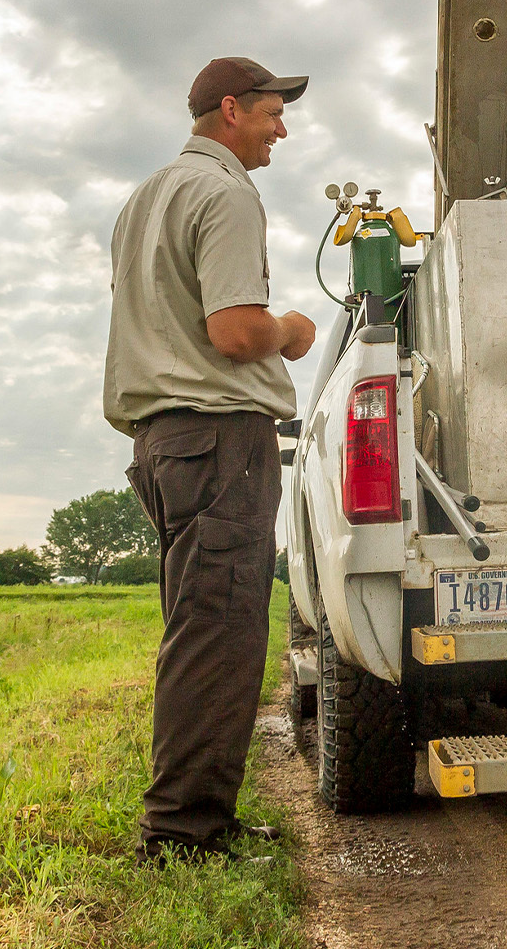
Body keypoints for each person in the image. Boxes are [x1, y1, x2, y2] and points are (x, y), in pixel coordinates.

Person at [104, 56, 316, 862]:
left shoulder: (146, 197)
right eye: (271, 112)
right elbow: (234, 331)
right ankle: (183, 834)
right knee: (220, 632)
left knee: (197, 628)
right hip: (219, 437)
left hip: (163, 442)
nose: (281, 128)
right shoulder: (224, 193)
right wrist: (291, 329)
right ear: (230, 110)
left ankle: (193, 820)